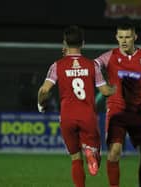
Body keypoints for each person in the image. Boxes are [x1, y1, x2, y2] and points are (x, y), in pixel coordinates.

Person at [37, 25, 116, 187]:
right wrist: (116, 88)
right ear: (83, 44)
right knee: (95, 154)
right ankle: (91, 153)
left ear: (64, 43)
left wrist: (40, 103)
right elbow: (105, 91)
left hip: (67, 117)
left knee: (75, 157)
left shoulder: (57, 65)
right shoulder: (92, 65)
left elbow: (44, 89)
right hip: (87, 116)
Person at [94, 23, 141, 187]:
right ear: (116, 38)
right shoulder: (109, 56)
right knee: (114, 152)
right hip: (116, 109)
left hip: (137, 112)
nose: (124, 41)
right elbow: (93, 65)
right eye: (121, 37)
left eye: (127, 37)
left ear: (135, 37)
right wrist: (102, 84)